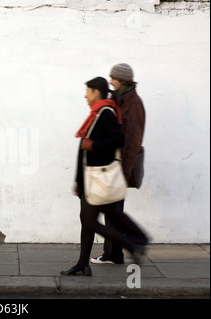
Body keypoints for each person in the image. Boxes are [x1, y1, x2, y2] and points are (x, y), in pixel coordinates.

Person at [61, 77, 148, 276]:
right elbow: (83, 152)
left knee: (90, 222)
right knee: (91, 221)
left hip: (98, 180)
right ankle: (83, 264)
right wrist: (78, 180)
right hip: (89, 180)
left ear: (97, 93)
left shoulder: (106, 113)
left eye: (88, 91)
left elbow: (118, 139)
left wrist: (93, 145)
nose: (85, 95)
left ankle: (133, 246)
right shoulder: (96, 113)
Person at [91, 63, 146, 265]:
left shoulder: (134, 104)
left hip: (121, 165)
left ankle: (135, 243)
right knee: (113, 209)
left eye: (113, 78)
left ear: (122, 80)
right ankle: (115, 254)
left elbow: (133, 141)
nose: (110, 81)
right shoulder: (121, 98)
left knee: (113, 210)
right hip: (113, 162)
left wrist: (123, 171)